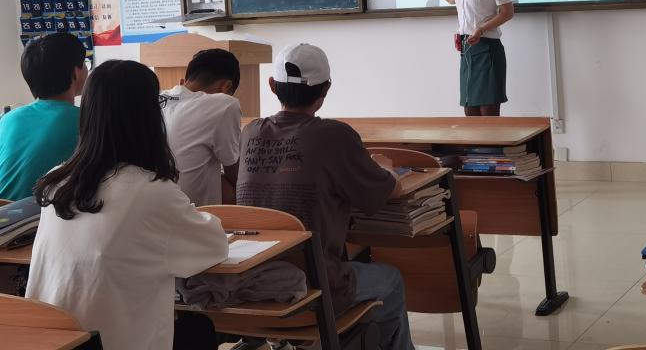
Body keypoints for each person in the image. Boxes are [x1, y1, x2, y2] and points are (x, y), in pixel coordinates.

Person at [27, 60, 228, 350]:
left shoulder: (57, 181)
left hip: (54, 342)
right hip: (109, 342)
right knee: (200, 328)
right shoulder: (151, 191)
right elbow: (214, 247)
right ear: (148, 117)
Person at [236, 43, 414, 350]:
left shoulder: (250, 132)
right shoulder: (335, 135)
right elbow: (386, 191)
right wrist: (384, 169)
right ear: (326, 89)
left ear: (272, 85)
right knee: (391, 280)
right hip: (314, 286)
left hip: (252, 282)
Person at [0, 33, 87, 201]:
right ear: (75, 72)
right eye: (84, 63)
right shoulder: (85, 120)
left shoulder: (8, 119)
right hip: (38, 214)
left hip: (5, 212)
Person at [161, 48, 242, 206]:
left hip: (149, 201)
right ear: (226, 86)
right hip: (193, 210)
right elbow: (234, 171)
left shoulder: (155, 97)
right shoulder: (224, 104)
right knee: (236, 190)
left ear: (185, 80)